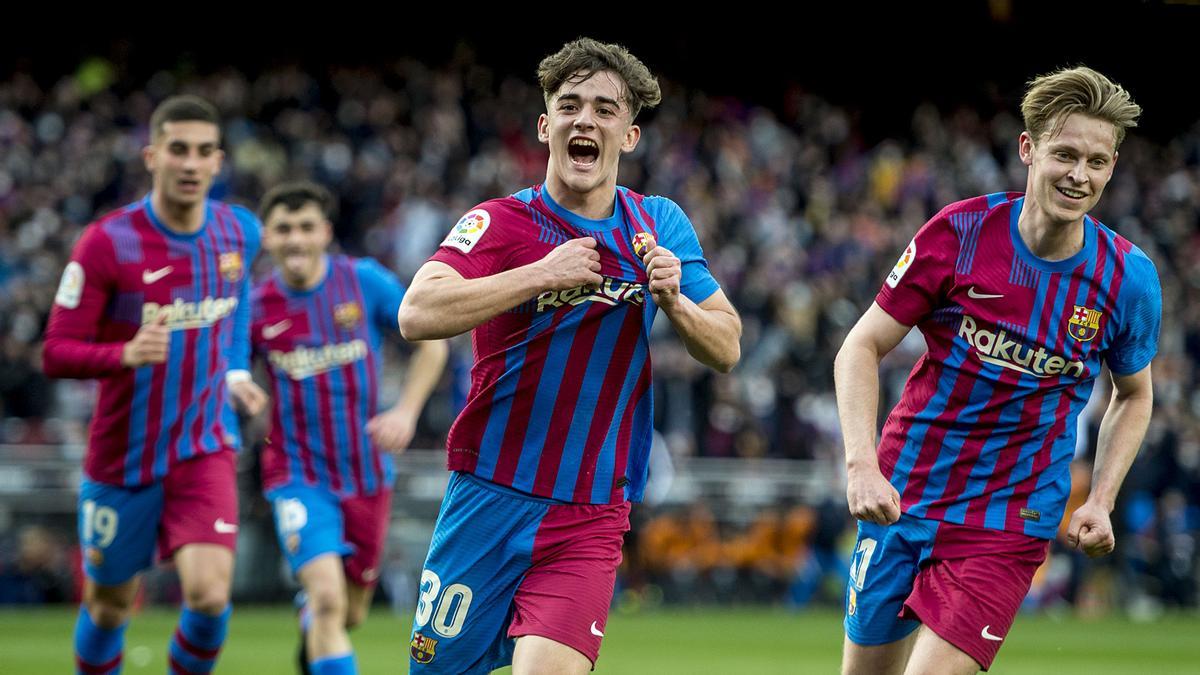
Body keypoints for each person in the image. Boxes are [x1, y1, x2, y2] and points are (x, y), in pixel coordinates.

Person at [397, 37, 741, 674]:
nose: (586, 119)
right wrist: (537, 275)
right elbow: (417, 312)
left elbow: (726, 346)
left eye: (605, 109)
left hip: (589, 511)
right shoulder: (501, 223)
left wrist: (676, 303)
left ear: (629, 135)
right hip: (487, 497)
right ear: (545, 124)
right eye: (570, 105)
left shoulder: (658, 224)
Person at [834, 66, 1160, 674]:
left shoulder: (1129, 279)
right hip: (904, 493)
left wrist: (1102, 499)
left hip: (1010, 517)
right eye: (1064, 154)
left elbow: (1134, 395)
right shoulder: (959, 232)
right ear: (1027, 148)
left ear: (1113, 166)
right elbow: (859, 347)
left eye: (1097, 161)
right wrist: (861, 466)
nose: (1079, 175)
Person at [43, 94, 267, 674]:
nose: (190, 164)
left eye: (203, 152)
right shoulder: (106, 243)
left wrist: (236, 368)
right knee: (112, 605)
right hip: (124, 456)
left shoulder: (240, 232)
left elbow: (237, 308)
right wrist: (123, 353)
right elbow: (56, 351)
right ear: (152, 156)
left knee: (211, 596)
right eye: (178, 151)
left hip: (204, 445)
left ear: (218, 161)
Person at [250, 181, 447, 675]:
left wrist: (405, 411)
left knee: (351, 610)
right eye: (284, 229)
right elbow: (226, 369)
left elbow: (432, 343)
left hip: (365, 474)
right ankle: (317, 612)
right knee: (329, 600)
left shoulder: (363, 282)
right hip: (296, 476)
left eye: (306, 227)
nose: (296, 239)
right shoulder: (254, 308)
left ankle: (311, 622)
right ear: (266, 238)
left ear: (326, 233)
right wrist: (237, 389)